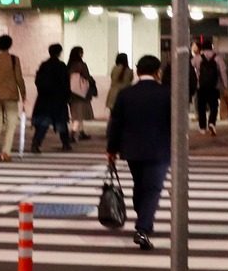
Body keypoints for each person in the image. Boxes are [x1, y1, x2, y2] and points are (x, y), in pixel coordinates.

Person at [106, 54, 170, 252]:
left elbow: (115, 124)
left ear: (138, 71)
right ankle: (143, 228)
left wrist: (111, 149)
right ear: (158, 72)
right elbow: (175, 123)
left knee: (141, 185)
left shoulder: (126, 94)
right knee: (152, 188)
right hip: (159, 149)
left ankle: (143, 217)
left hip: (132, 149)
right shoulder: (167, 93)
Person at [0, 35, 26, 162]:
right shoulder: (14, 59)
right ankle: (5, 153)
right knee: (11, 124)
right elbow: (19, 77)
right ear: (10, 45)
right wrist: (23, 93)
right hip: (10, 95)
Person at [32, 43, 73, 153]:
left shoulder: (44, 65)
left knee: (43, 122)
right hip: (58, 98)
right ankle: (65, 143)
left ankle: (36, 143)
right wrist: (67, 96)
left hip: (44, 98)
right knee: (61, 122)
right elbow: (65, 83)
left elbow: (38, 81)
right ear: (59, 53)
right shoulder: (61, 66)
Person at [192, 37, 226, 135]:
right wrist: (225, 86)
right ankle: (211, 122)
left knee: (201, 107)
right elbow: (223, 73)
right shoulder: (218, 58)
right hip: (214, 87)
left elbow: (190, 67)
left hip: (201, 87)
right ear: (212, 47)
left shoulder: (197, 58)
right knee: (214, 107)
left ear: (202, 48)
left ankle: (202, 127)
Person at [67, 46, 96, 140]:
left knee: (76, 114)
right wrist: (92, 82)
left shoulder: (69, 65)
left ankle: (82, 132)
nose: (82, 54)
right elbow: (86, 76)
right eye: (81, 52)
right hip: (80, 93)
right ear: (79, 54)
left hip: (71, 93)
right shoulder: (81, 65)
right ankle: (72, 134)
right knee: (79, 114)